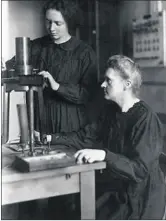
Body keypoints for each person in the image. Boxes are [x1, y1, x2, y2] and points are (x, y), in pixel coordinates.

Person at [5, 0, 97, 219]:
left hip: (70, 128)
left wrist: (57, 86)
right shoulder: (39, 46)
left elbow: (89, 94)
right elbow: (13, 64)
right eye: (48, 22)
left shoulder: (84, 53)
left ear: (69, 23)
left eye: (58, 23)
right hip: (41, 122)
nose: (52, 28)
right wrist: (14, 68)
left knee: (65, 194)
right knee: (28, 189)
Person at [49, 55, 166, 219]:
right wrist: (49, 139)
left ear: (127, 84)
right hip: (117, 186)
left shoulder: (144, 118)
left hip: (138, 198)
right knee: (69, 205)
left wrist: (104, 154)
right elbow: (85, 137)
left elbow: (139, 170)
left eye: (109, 80)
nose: (103, 84)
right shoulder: (110, 111)